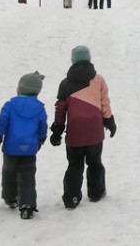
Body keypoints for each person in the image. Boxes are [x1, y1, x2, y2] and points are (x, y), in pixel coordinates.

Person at [49, 44, 115, 207]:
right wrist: (109, 121)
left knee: (75, 165)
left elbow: (60, 109)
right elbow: (104, 103)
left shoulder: (65, 84)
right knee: (95, 162)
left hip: (75, 132)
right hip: (94, 131)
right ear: (89, 59)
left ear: (73, 61)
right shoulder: (99, 80)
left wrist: (57, 130)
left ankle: (72, 198)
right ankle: (96, 192)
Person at [0, 71, 49, 220]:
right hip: (29, 149)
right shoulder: (39, 108)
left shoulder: (10, 105)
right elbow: (42, 127)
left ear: (20, 88)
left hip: (11, 149)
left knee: (9, 173)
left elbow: (2, 123)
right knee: (28, 175)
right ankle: (27, 204)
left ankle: (10, 198)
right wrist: (40, 140)